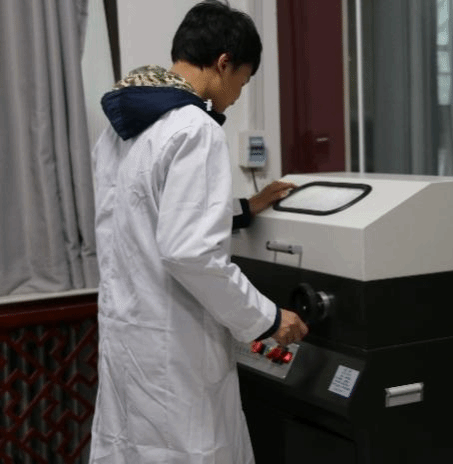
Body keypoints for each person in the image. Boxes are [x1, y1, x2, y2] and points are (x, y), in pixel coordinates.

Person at [88, 1, 308, 462]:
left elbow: (143, 211)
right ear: (223, 63)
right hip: (176, 348)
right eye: (242, 81)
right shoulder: (195, 128)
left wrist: (244, 208)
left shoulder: (122, 129)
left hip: (130, 336)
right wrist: (268, 319)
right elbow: (190, 252)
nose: (238, 96)